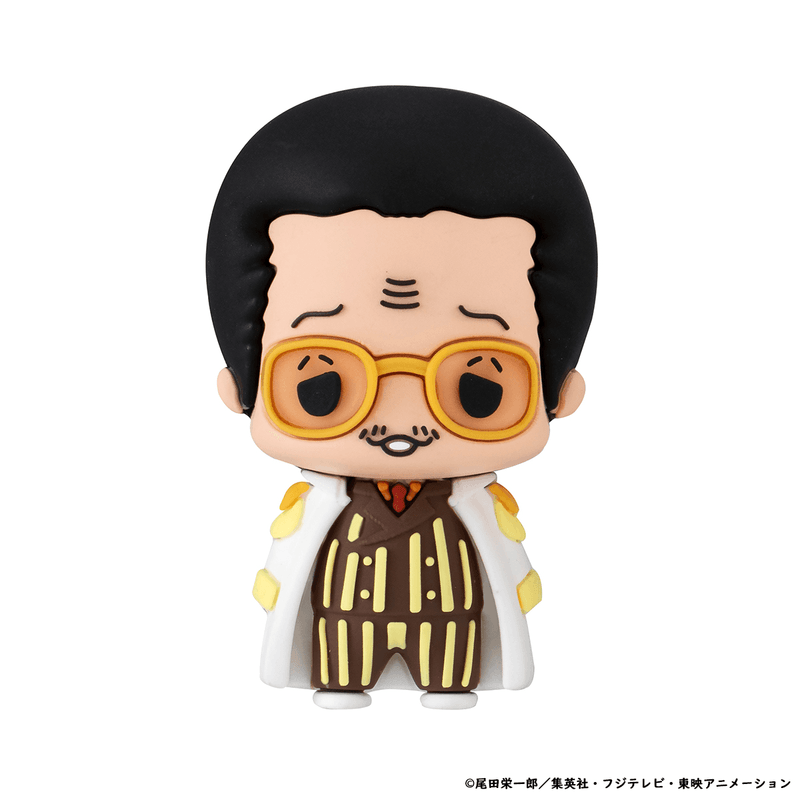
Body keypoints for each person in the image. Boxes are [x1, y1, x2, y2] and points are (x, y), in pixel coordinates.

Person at [206, 86, 597, 709]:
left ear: (560, 391)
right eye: (322, 386)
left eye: (478, 388)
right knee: (342, 658)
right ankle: (341, 683)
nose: (402, 422)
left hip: (450, 617)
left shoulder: (468, 500)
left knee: (449, 657)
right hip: (343, 620)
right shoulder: (326, 501)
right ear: (241, 385)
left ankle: (448, 686)